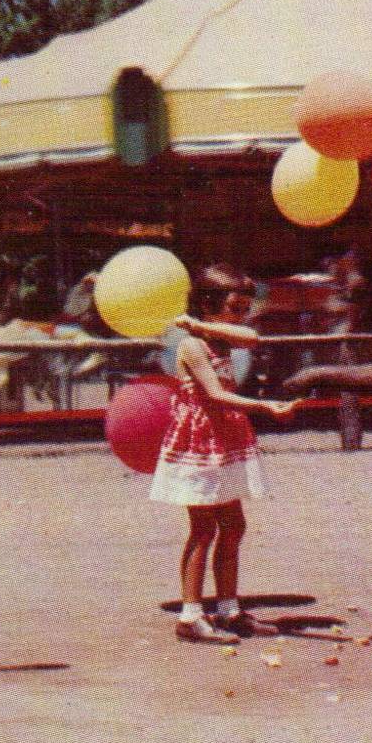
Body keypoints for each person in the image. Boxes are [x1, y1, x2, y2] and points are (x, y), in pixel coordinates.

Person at [151, 264, 297, 644]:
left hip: (225, 438)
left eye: (245, 308)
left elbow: (251, 337)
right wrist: (267, 408)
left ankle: (229, 610)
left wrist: (206, 325)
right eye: (234, 307)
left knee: (234, 525)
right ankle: (191, 614)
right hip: (200, 443)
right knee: (204, 529)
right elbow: (214, 394)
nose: (241, 316)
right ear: (208, 303)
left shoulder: (216, 337)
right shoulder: (191, 345)